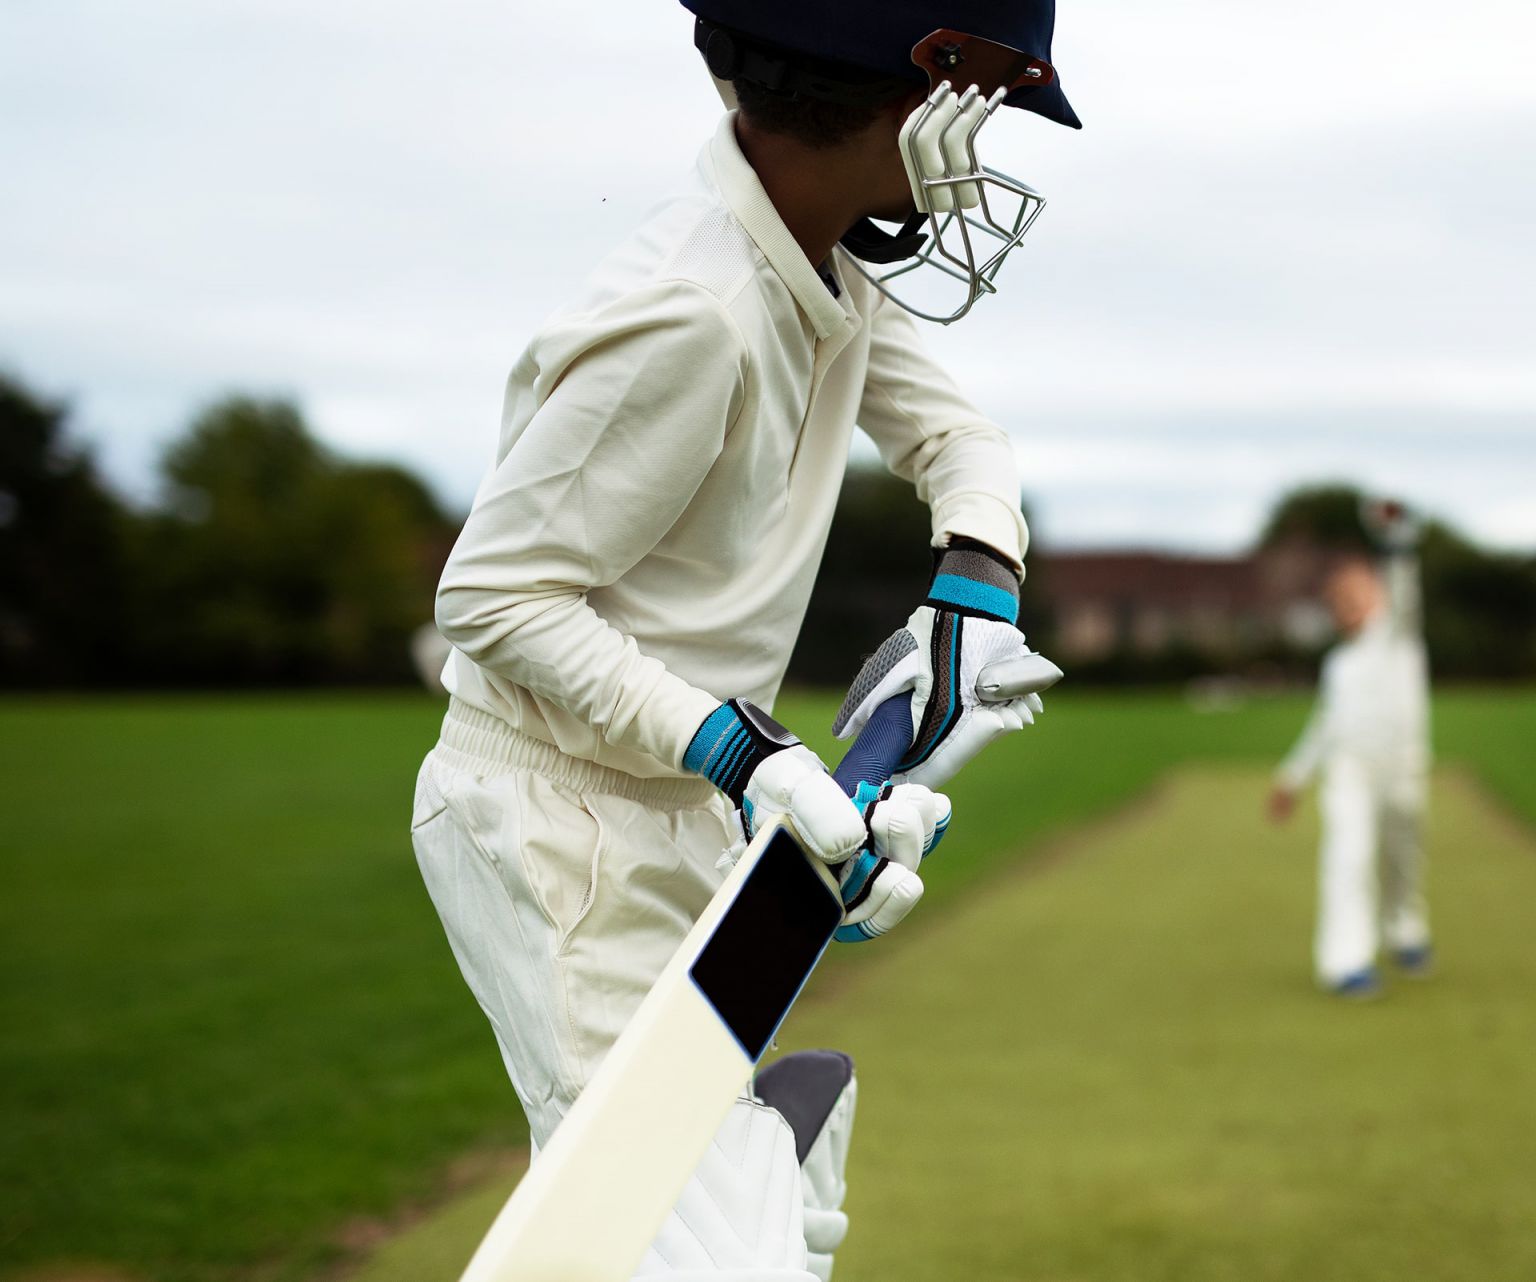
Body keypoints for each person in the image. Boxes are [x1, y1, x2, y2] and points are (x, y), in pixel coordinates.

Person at [409, 3, 1078, 1276]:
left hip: (677, 799)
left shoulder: (823, 269)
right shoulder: (693, 310)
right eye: (986, 113)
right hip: (554, 827)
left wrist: (974, 589)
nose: (986, 150)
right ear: (918, 98)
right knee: (656, 1240)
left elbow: (963, 441)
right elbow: (494, 596)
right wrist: (740, 752)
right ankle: (777, 1169)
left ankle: (771, 1158)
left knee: (663, 1231)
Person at [1269, 501, 1433, 998]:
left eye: (1358, 596)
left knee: (1402, 855)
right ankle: (1346, 961)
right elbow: (1325, 727)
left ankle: (1405, 929)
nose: (1349, 607)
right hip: (1350, 771)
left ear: (1379, 596)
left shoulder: (1399, 637)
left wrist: (1396, 540)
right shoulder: (1338, 664)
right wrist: (1292, 777)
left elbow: (1403, 587)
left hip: (1402, 766)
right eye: (1339, 601)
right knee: (1349, 856)